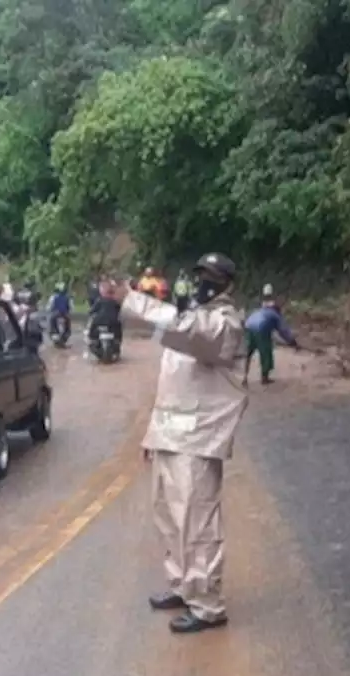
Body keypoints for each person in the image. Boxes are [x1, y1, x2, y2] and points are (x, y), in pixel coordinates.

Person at [110, 253, 248, 634]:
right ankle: (182, 585)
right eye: (200, 275)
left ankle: (207, 604)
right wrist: (152, 433)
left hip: (200, 438)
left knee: (197, 522)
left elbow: (186, 329)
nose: (204, 284)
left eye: (212, 278)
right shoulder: (190, 323)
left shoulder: (223, 324)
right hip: (171, 434)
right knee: (169, 517)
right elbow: (170, 384)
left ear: (227, 285)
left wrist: (133, 299)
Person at [243, 287, 300, 386]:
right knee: (266, 353)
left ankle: (244, 377)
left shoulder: (260, 310)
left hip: (249, 327)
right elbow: (283, 331)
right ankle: (264, 378)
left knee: (248, 353)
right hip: (261, 329)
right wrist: (292, 342)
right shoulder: (275, 315)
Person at [87, 280, 123, 347]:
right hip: (113, 321)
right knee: (118, 327)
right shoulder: (115, 301)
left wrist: (90, 313)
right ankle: (118, 340)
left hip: (100, 320)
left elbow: (93, 310)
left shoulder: (100, 300)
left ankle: (92, 339)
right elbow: (119, 310)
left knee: (93, 327)